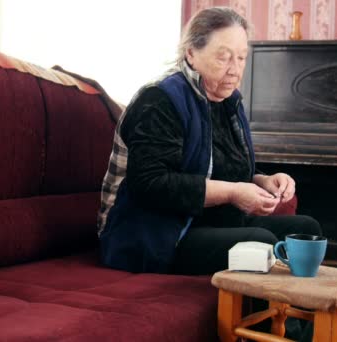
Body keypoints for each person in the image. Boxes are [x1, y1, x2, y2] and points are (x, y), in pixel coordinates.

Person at [97, 6, 320, 340]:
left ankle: (296, 335)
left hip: (204, 221)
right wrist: (232, 193)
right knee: (259, 244)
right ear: (191, 52)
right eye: (223, 57)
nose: (234, 70)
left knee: (305, 230)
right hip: (149, 233)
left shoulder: (226, 101)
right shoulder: (160, 100)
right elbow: (150, 185)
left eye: (242, 58)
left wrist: (262, 180)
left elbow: (221, 166)